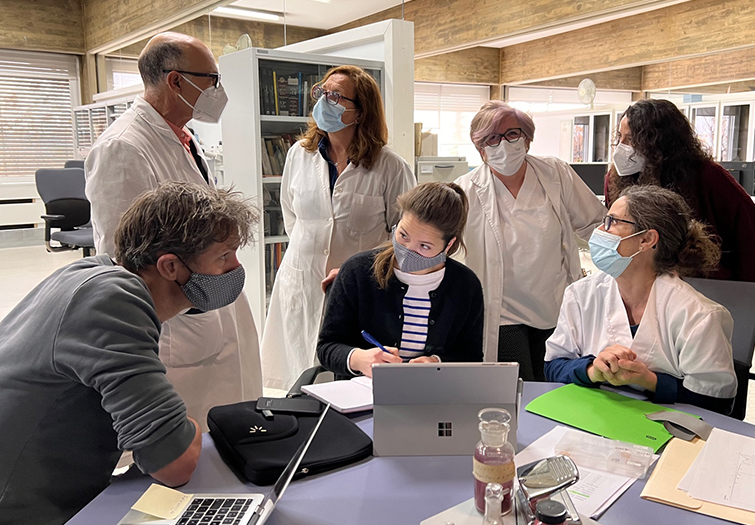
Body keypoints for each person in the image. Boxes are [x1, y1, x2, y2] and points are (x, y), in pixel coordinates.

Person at [0, 182, 258, 525]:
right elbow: (174, 463)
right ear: (170, 266)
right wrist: (186, 426)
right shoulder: (113, 301)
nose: (235, 268)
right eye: (224, 256)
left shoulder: (91, 274)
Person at [84, 32, 261, 425]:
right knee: (191, 433)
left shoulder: (182, 134)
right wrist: (196, 297)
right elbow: (125, 254)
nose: (218, 90)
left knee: (231, 417)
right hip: (179, 321)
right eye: (212, 79)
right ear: (175, 80)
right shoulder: (123, 147)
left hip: (206, 295)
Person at [261, 65, 416, 389]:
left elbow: (403, 236)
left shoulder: (390, 166)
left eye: (336, 96)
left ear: (360, 112)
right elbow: (292, 216)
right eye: (322, 92)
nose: (324, 101)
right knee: (299, 375)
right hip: (302, 280)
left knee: (349, 382)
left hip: (360, 289)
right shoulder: (298, 155)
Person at [544, 185, 737, 414]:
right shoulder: (581, 295)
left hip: (667, 430)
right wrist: (591, 370)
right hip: (594, 416)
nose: (599, 230)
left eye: (611, 222)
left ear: (646, 239)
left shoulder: (698, 315)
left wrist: (651, 381)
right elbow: (553, 366)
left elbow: (717, 402)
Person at [456, 101, 606, 381]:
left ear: (527, 138)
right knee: (520, 390)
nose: (503, 144)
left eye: (512, 133)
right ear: (481, 150)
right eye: (492, 138)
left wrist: (623, 261)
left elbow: (594, 223)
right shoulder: (465, 190)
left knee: (556, 387)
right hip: (503, 314)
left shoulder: (555, 173)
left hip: (554, 307)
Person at [605, 98, 755, 291]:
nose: (621, 146)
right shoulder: (617, 179)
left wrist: (748, 289)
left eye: (632, 139)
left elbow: (752, 228)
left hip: (701, 284)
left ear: (659, 142)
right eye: (620, 137)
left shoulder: (708, 176)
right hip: (640, 284)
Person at [317, 182, 483, 377]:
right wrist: (359, 359)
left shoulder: (465, 286)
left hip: (433, 394)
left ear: (449, 245)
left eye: (424, 246)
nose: (408, 250)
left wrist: (437, 363)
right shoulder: (357, 272)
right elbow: (327, 347)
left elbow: (471, 356)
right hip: (362, 395)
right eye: (403, 235)